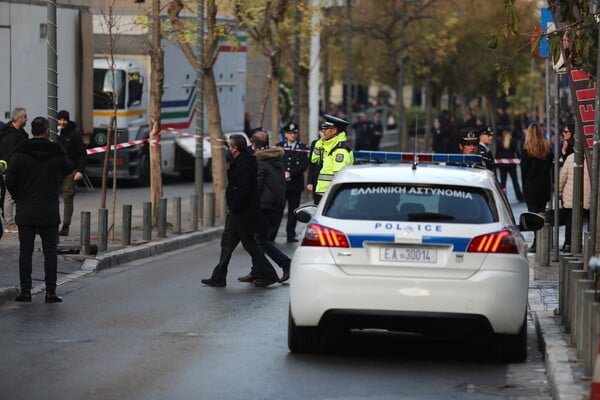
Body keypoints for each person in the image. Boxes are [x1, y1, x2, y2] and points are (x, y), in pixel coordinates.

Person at [5, 116, 74, 303]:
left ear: (32, 131)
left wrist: (19, 196)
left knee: (25, 252)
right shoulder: (55, 151)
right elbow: (69, 168)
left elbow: (9, 179)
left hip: (26, 209)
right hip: (49, 210)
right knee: (50, 252)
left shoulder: (20, 152)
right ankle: (50, 291)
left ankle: (25, 291)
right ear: (46, 131)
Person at [201, 134, 280, 288]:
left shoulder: (244, 164)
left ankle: (269, 274)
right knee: (228, 244)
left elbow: (242, 189)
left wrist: (234, 205)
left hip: (242, 212)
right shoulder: (243, 160)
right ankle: (218, 277)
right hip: (240, 211)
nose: (229, 150)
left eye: (230, 147)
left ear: (235, 148)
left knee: (249, 244)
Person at [238, 130, 292, 283]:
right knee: (258, 239)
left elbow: (257, 186)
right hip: (274, 205)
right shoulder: (275, 159)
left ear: (254, 144)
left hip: (263, 206)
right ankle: (256, 271)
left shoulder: (260, 162)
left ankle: (285, 263)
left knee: (261, 240)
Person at [521, 123, 553, 252]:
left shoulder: (526, 151)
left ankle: (536, 241)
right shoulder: (547, 149)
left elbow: (523, 171)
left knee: (533, 216)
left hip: (531, 187)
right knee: (541, 214)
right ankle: (542, 241)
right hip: (544, 186)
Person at [276, 122, 308, 242]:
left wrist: (291, 173)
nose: (292, 135)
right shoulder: (279, 146)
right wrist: (283, 173)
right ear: (285, 134)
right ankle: (272, 234)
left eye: (294, 133)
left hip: (295, 184)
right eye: (290, 133)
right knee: (278, 210)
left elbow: (304, 165)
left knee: (293, 211)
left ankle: (291, 234)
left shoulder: (302, 148)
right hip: (282, 184)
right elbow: (277, 162)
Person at [56, 110, 86, 236]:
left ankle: (66, 225)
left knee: (68, 197)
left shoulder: (74, 133)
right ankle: (49, 224)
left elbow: (82, 153)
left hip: (70, 170)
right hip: (55, 170)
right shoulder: (54, 132)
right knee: (51, 197)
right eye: (60, 120)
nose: (62, 122)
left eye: (64, 120)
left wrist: (79, 171)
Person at [312, 114, 354, 204]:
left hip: (332, 195)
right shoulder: (330, 146)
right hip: (325, 193)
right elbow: (314, 159)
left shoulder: (340, 151)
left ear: (334, 131)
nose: (323, 131)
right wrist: (321, 141)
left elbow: (339, 177)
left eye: (326, 129)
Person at [0, 107, 29, 234]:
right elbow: (9, 156)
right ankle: (9, 224)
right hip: (11, 171)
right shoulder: (10, 136)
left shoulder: (21, 134)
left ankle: (14, 222)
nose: (26, 119)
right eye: (24, 117)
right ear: (18, 119)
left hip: (20, 170)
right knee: (9, 197)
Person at [558, 153, 591, 253]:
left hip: (571, 197)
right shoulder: (594, 158)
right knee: (591, 222)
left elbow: (562, 177)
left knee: (571, 222)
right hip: (589, 198)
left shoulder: (571, 157)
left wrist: (559, 192)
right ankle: (590, 245)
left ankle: (569, 244)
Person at [496, 130, 524, 202]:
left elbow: (497, 153)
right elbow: (517, 152)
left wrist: (496, 164)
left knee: (503, 182)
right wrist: (520, 160)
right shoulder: (513, 141)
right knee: (515, 181)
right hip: (512, 164)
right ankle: (519, 197)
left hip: (502, 164)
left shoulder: (499, 141)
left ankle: (502, 197)